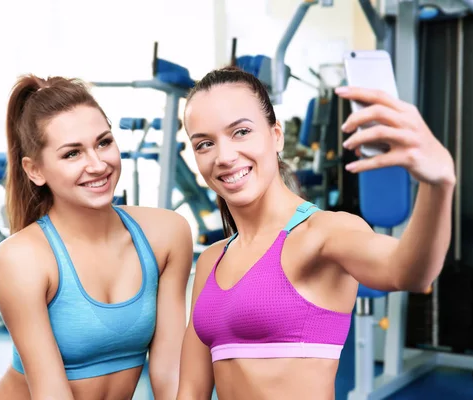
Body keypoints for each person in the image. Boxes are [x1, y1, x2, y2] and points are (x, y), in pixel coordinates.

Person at [176, 66, 456, 400]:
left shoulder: (322, 233)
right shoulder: (210, 260)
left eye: (240, 132)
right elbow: (191, 391)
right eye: (205, 144)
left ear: (276, 134)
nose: (224, 156)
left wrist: (438, 184)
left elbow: (407, 271)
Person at [0, 74, 193, 400]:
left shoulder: (167, 234)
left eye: (104, 142)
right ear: (34, 170)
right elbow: (50, 393)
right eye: (72, 154)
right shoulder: (22, 258)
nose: (97, 165)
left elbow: (170, 372)